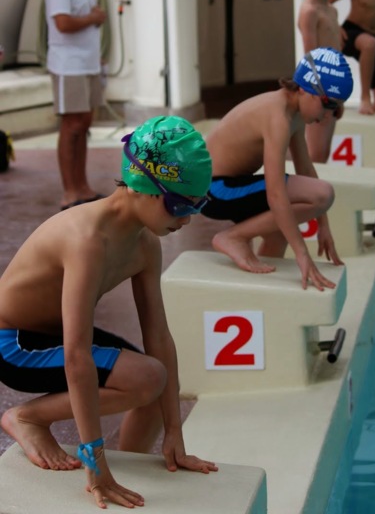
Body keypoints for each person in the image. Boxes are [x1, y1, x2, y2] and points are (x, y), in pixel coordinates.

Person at [0, 115, 218, 509]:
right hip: (12, 343)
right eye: (179, 204)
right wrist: (94, 463)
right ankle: (28, 418)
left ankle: (127, 473)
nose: (186, 219)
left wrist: (175, 433)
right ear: (141, 187)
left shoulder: (144, 243)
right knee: (147, 377)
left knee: (154, 381)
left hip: (50, 334)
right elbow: (76, 356)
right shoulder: (87, 240)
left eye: (197, 206)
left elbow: (159, 336)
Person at [201, 47, 353, 291]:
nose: (328, 115)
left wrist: (323, 225)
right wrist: (302, 253)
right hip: (215, 189)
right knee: (322, 194)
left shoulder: (293, 112)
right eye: (329, 104)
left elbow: (305, 169)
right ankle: (233, 237)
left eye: (337, 109)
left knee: (279, 233)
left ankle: (259, 293)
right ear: (306, 89)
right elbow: (276, 192)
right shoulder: (278, 118)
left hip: (227, 185)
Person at [45, 0, 107, 210]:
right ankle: (70, 192)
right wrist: (93, 18)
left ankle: (83, 186)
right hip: (68, 64)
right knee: (71, 126)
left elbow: (84, 16)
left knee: (84, 125)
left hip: (87, 62)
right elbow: (62, 22)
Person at [297, 0, 345, 163]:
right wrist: (321, 95)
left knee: (322, 154)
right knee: (315, 155)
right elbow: (311, 58)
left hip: (332, 87)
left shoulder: (331, 10)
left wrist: (339, 94)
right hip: (318, 89)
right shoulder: (309, 11)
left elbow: (336, 54)